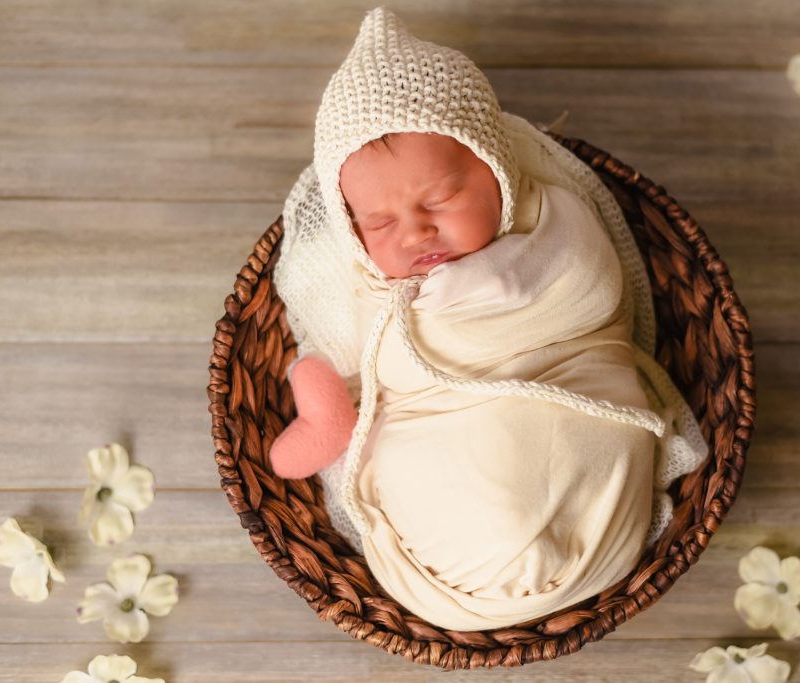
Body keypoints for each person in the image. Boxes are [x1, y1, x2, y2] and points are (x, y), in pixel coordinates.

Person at [269, 6, 708, 631]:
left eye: (441, 198)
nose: (415, 232)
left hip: (572, 418)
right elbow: (363, 358)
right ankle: (332, 423)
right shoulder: (364, 281)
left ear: (498, 170)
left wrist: (472, 291)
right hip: (442, 502)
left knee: (525, 459)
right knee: (384, 418)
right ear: (350, 228)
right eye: (380, 223)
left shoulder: (553, 223)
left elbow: (590, 289)